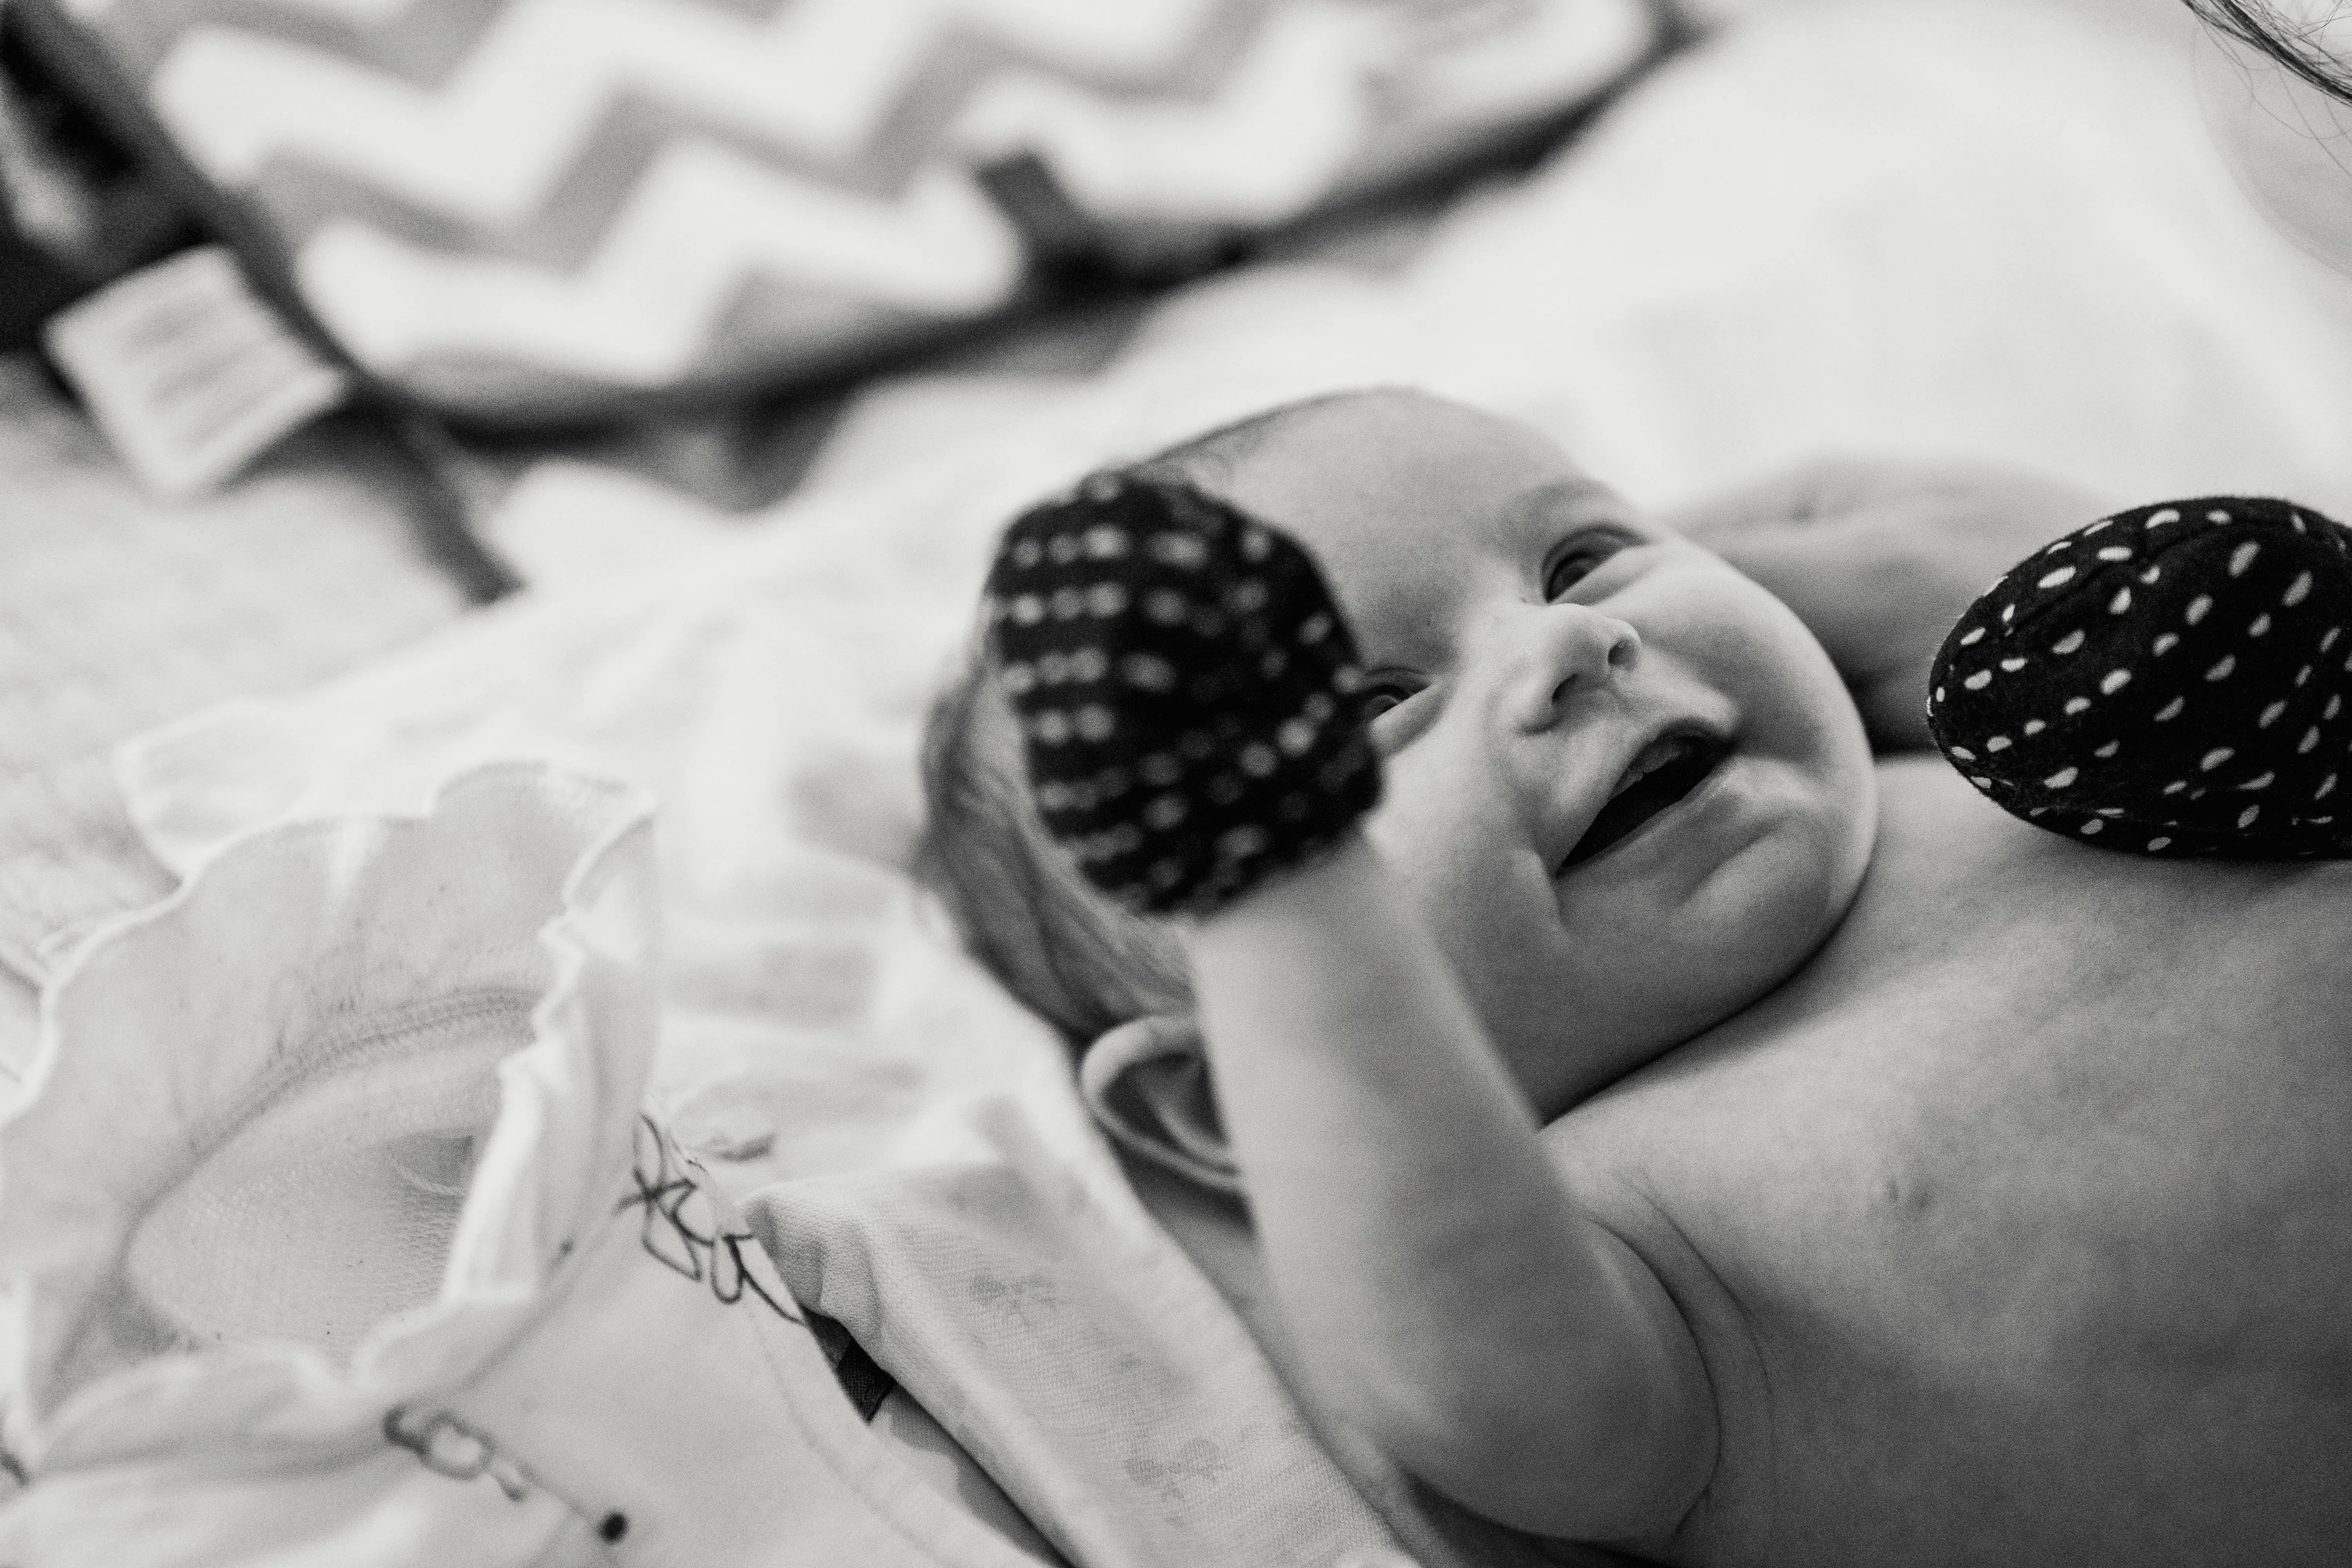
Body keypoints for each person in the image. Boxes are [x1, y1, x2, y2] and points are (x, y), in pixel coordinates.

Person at [918, 387, 2352, 1566]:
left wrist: (2027, 600)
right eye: (1367, 712)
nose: (1566, 642)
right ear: (1229, 1104)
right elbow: (1473, 1387)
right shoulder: (1596, 1241)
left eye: (1582, 560)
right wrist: (1285, 905)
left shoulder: (1957, 772)